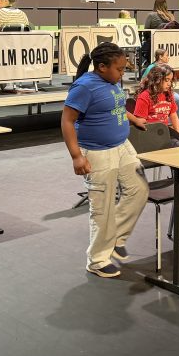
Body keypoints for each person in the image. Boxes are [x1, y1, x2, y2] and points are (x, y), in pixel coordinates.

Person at [61, 42, 148, 279]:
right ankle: (98, 260)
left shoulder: (109, 83)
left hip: (122, 146)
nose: (123, 73)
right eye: (119, 69)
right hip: (97, 153)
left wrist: (132, 119)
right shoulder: (85, 87)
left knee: (139, 190)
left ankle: (115, 237)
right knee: (102, 208)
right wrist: (77, 156)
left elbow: (115, 106)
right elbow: (67, 121)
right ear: (101, 67)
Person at [134, 64, 179, 146]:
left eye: (171, 80)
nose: (169, 84)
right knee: (176, 145)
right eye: (167, 80)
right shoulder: (144, 96)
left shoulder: (168, 94)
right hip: (150, 133)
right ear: (157, 80)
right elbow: (140, 123)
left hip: (164, 130)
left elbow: (174, 116)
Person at [140, 48, 179, 125]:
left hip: (165, 91)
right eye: (166, 55)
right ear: (160, 57)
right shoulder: (151, 67)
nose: (168, 57)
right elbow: (142, 81)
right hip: (154, 91)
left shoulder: (166, 67)